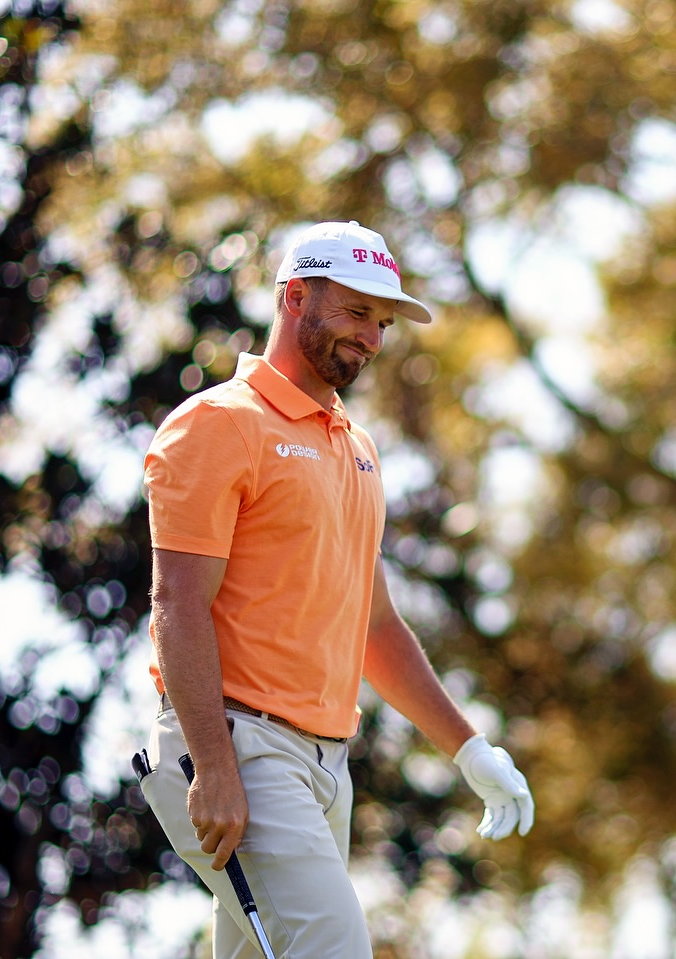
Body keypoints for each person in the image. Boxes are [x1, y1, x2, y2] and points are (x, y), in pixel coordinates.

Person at [135, 220, 534, 959]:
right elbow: (177, 606)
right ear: (295, 297)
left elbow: (374, 626)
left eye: (383, 322)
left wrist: (469, 748)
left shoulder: (357, 448)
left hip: (326, 766)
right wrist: (215, 766)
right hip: (241, 748)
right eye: (356, 312)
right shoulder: (219, 424)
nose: (373, 338)